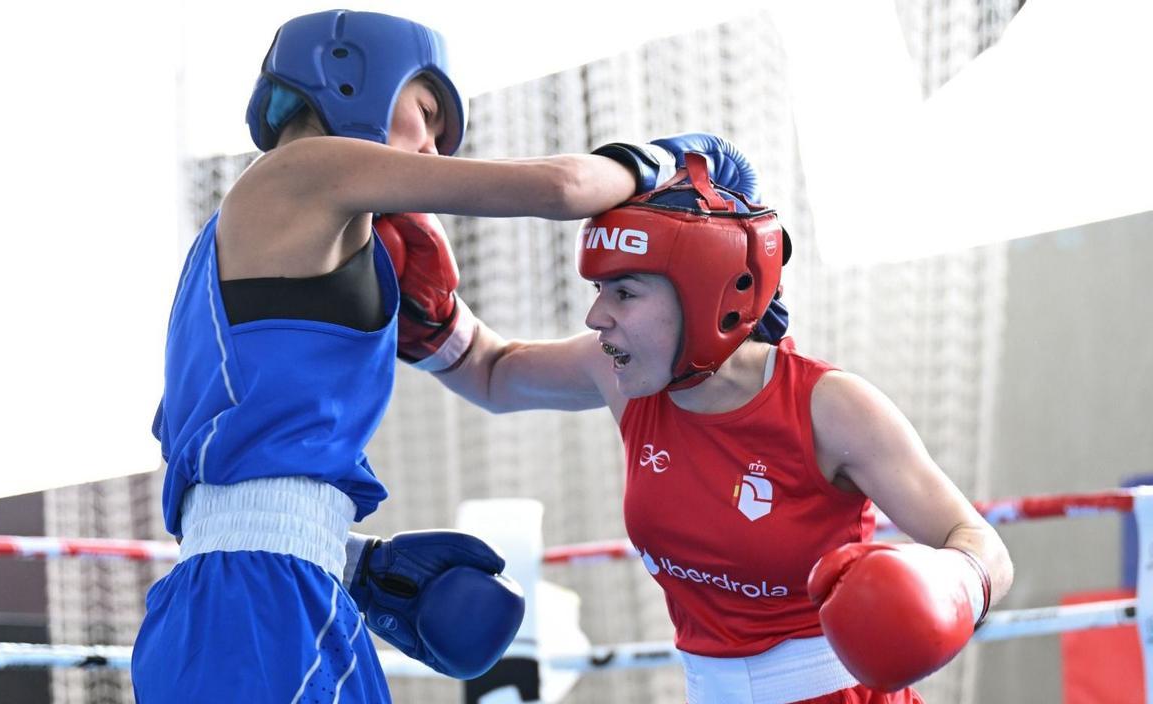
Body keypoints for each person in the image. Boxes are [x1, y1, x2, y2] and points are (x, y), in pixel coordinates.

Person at [132, 8, 751, 703]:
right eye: (426, 113)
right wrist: (675, 160)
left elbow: (495, 371)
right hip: (255, 603)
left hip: (260, 592)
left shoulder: (322, 252)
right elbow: (560, 190)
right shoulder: (297, 173)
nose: (432, 149)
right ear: (349, 79)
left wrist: (658, 346)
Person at [387, 152, 1015, 703]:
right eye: (601, 289)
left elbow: (980, 543)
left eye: (624, 293)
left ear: (707, 294)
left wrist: (947, 586)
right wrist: (428, 316)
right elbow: (494, 373)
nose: (597, 315)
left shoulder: (828, 406)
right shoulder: (620, 375)